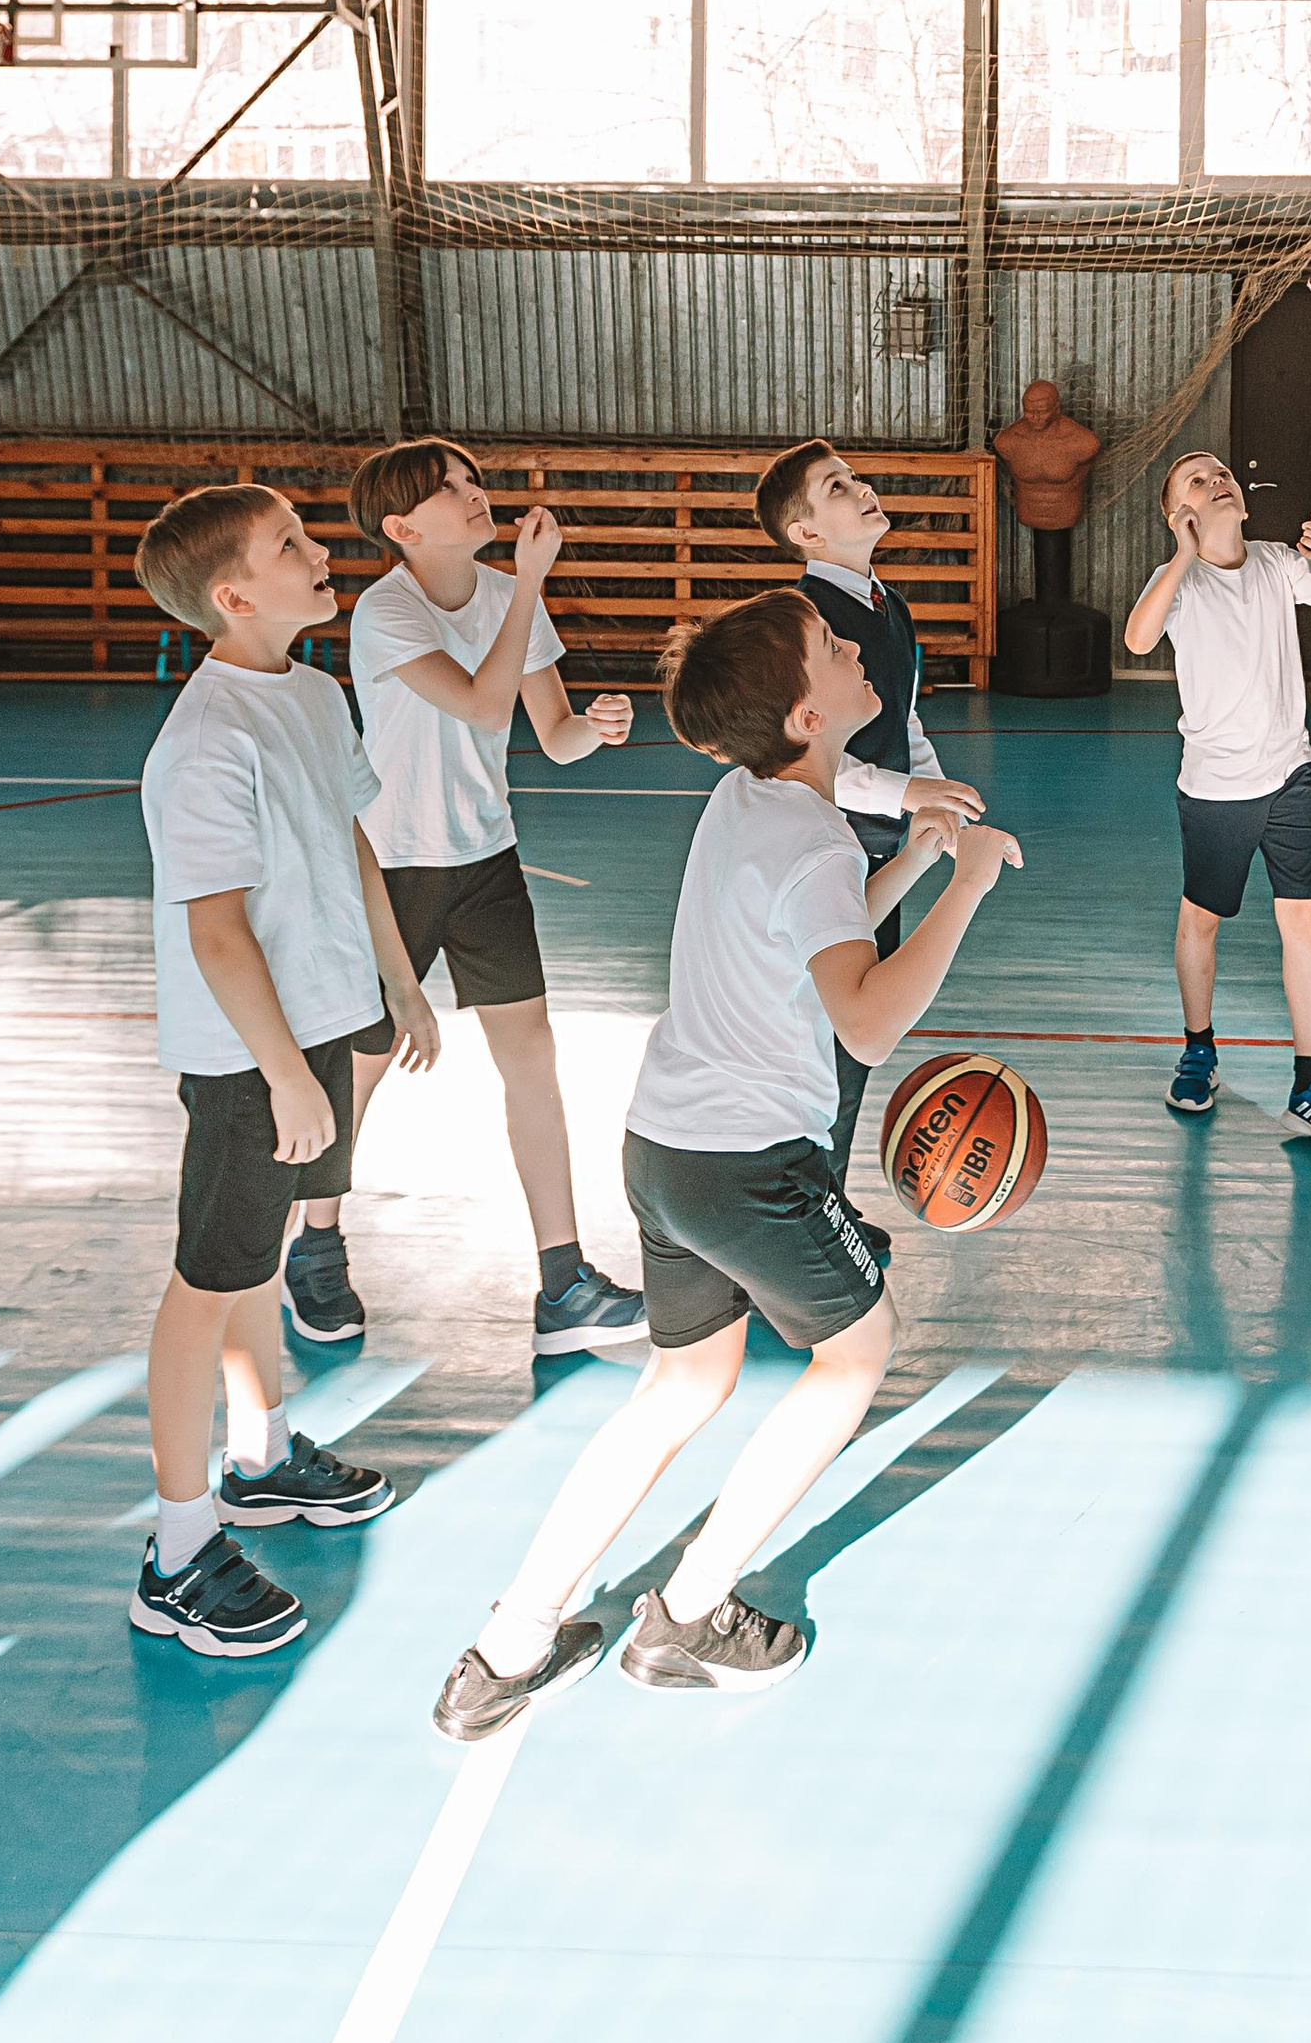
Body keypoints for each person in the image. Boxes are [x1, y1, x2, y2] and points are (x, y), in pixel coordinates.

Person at [432, 586, 1021, 1739]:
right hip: (752, 1168)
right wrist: (968, 888)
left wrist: (913, 864)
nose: (857, 651)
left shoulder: (747, 797)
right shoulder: (805, 834)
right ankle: (688, 1617)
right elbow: (864, 1019)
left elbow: (812, 929)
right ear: (808, 714)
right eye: (834, 648)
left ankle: (507, 1645)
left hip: (664, 1152)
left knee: (682, 1387)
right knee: (857, 1357)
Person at [127, 484, 438, 1659]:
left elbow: (352, 841)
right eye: (292, 546)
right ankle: (174, 1549)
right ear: (234, 595)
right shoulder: (207, 739)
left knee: (255, 1264)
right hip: (247, 1055)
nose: (321, 557)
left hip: (318, 1025)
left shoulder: (310, 693)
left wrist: (397, 982)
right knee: (207, 1283)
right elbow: (215, 932)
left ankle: (259, 1460)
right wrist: (284, 1077)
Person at [330, 436, 646, 1361]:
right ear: (402, 527)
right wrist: (531, 584)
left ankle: (563, 1282)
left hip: (485, 859)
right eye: (451, 490)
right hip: (396, 864)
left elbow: (549, 738)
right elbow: (477, 703)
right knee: (361, 1067)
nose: (476, 496)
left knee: (533, 1064)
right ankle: (315, 1244)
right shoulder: (386, 612)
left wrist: (597, 727)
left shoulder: (511, 597)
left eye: (474, 481)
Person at [753, 439, 984, 1222]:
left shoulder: (889, 604)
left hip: (881, 850)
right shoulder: (806, 622)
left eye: (854, 478)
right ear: (806, 534)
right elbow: (814, 757)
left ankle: (830, 1202)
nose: (862, 489)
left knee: (852, 1052)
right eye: (837, 486)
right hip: (830, 858)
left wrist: (931, 794)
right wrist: (906, 790)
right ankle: (800, 1209)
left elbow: (903, 716)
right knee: (823, 1046)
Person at [1120, 447, 1311, 1150]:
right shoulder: (1180, 583)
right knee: (1202, 921)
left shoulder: (1273, 563)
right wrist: (1181, 555)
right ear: (1182, 514)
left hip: (1292, 775)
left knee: (1306, 926)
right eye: (1198, 481)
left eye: (1223, 473)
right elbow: (1138, 638)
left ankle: (1310, 1084)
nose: (1219, 480)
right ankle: (1199, 1050)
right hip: (1215, 789)